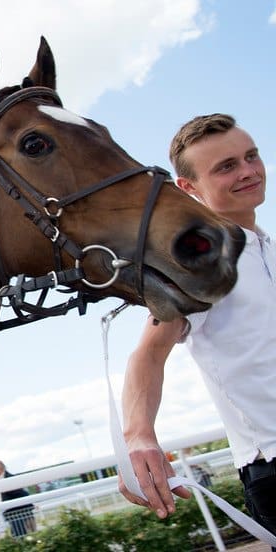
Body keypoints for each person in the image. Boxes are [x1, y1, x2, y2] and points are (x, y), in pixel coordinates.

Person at [120, 113, 276, 548]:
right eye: (226, 166)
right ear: (188, 187)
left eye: (251, 156)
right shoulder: (199, 263)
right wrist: (138, 438)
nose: (247, 171)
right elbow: (148, 354)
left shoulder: (266, 247)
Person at [0, 460, 36, 538]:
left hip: (18, 513)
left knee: (22, 536)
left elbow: (21, 493)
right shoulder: (4, 479)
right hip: (14, 514)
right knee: (21, 536)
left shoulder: (8, 479)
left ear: (0, 468)